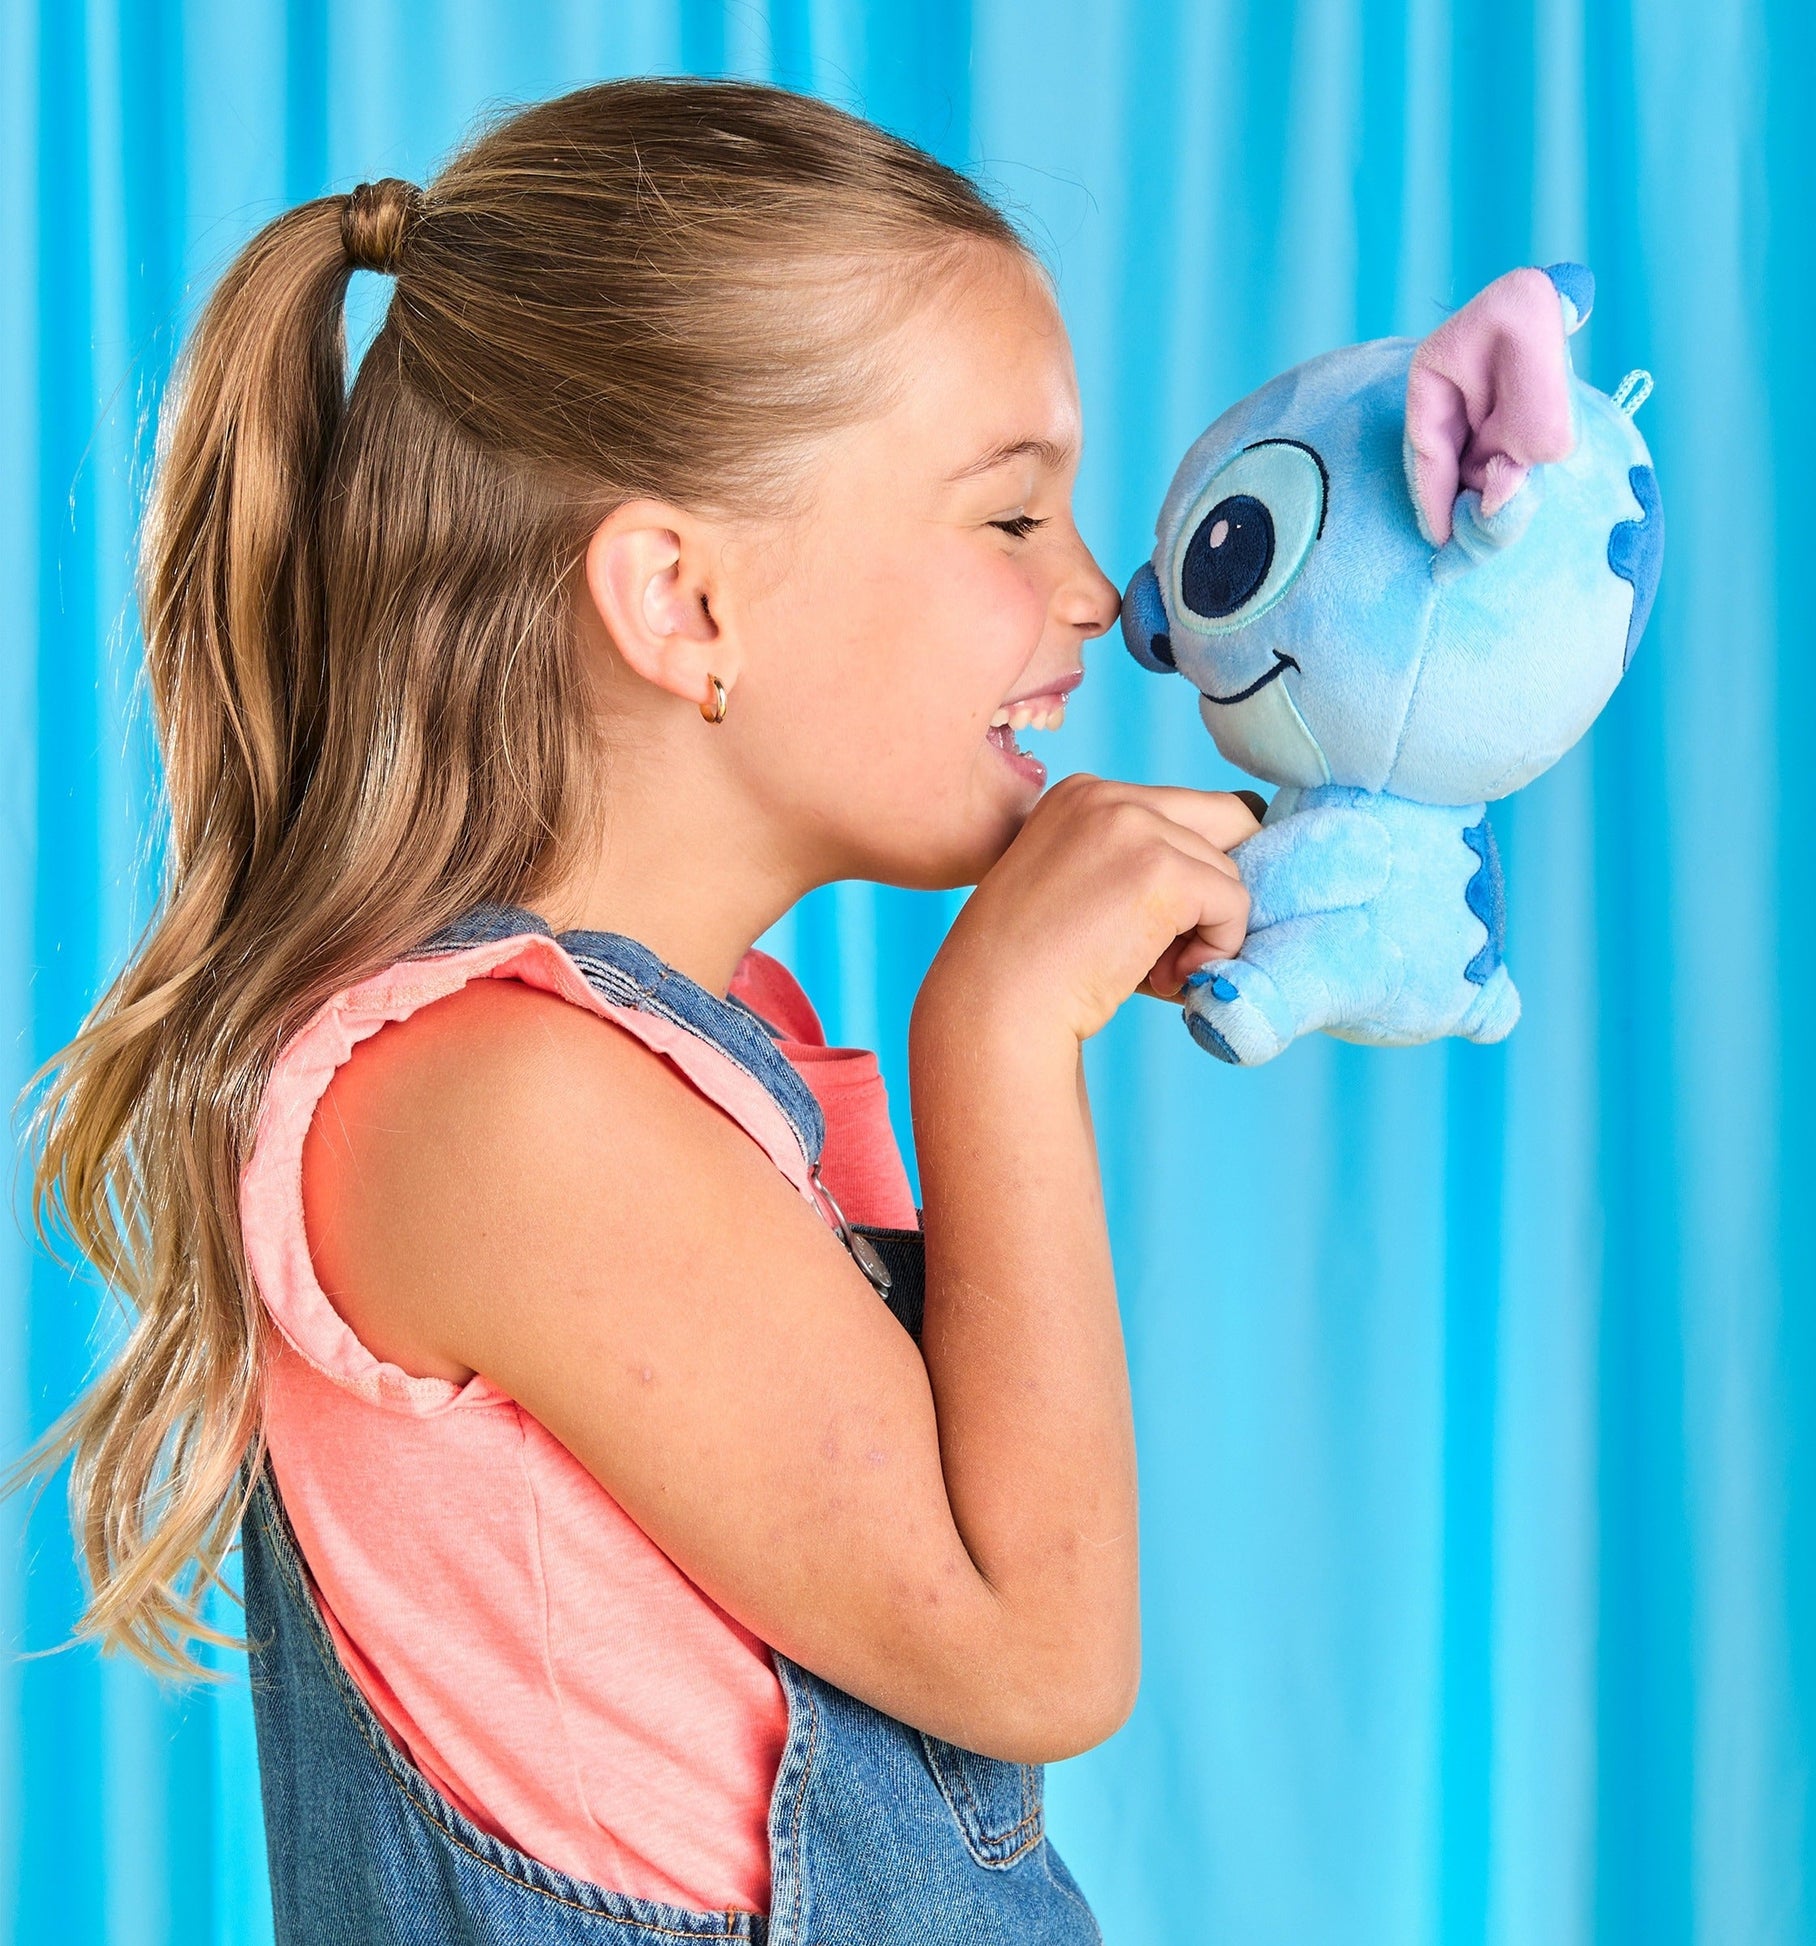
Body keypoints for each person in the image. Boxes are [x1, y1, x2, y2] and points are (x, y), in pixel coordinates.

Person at [24, 77, 1258, 1942]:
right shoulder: (494, 1099)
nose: (1098, 594)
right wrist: (994, 1039)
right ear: (681, 601)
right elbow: (1033, 1645)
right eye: (1009, 515)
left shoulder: (662, 1056)